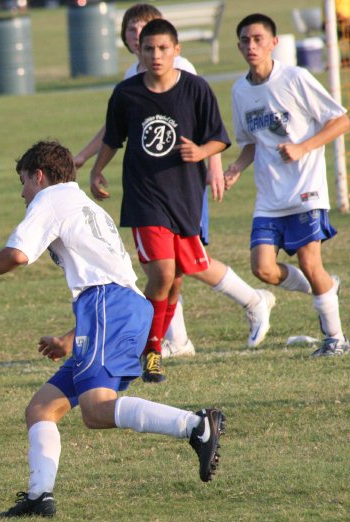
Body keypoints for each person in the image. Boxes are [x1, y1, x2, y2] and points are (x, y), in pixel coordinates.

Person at [0, 140, 225, 518]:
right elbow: (106, 276)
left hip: (107, 308)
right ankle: (39, 497)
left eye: (23, 182)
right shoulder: (84, 204)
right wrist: (71, 338)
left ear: (39, 175)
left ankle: (195, 426)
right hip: (122, 308)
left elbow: (18, 253)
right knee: (41, 409)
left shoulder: (49, 200)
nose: (22, 192)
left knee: (96, 411)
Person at [74, 4, 274, 361]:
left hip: (187, 190)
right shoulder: (128, 84)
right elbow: (115, 130)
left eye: (153, 36)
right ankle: (165, 343)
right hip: (145, 194)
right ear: (129, 40)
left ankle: (251, 300)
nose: (147, 45)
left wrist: (211, 163)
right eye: (136, 34)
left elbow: (209, 130)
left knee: (186, 267)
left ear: (174, 46)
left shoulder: (190, 79)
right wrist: (91, 163)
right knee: (165, 269)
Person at [225, 13, 349, 356]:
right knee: (262, 268)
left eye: (258, 39)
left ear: (274, 43)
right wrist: (235, 167)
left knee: (311, 264)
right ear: (238, 46)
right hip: (269, 196)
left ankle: (335, 339)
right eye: (246, 41)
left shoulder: (295, 78)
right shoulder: (239, 91)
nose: (252, 46)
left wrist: (303, 147)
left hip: (306, 190)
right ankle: (324, 288)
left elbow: (341, 120)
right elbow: (250, 141)